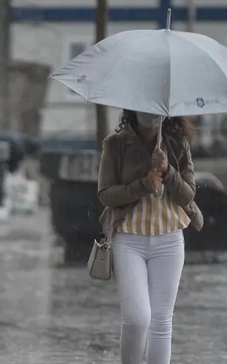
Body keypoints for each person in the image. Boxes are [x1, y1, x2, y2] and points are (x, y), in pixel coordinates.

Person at [97, 110, 203, 364]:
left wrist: (168, 172)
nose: (150, 115)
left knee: (161, 321)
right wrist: (144, 184)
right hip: (128, 238)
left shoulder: (177, 143)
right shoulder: (115, 143)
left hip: (169, 239)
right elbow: (106, 195)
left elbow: (188, 195)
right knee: (136, 317)